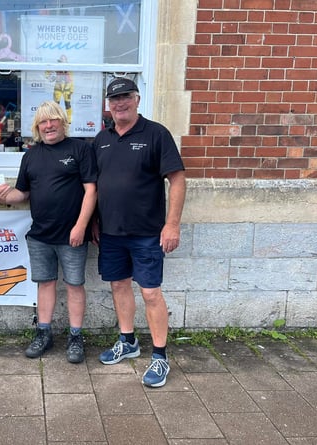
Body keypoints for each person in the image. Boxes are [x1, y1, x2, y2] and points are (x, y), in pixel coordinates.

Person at [93, 78, 186, 387]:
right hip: (110, 233)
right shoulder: (101, 139)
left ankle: (160, 356)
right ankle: (128, 341)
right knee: (119, 286)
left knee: (149, 292)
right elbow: (95, 187)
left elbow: (177, 179)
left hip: (147, 233)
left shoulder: (156, 134)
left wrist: (171, 224)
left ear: (137, 99)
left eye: (125, 97)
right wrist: (94, 222)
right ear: (108, 104)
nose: (120, 103)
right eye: (114, 98)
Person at [0, 101, 97, 363]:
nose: (48, 125)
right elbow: (23, 193)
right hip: (40, 235)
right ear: (37, 127)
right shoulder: (31, 155)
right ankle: (44, 332)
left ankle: (75, 337)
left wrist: (81, 225)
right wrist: (4, 196)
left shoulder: (80, 149)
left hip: (72, 235)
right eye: (43, 122)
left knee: (75, 285)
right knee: (45, 284)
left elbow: (91, 190)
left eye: (53, 120)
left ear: (63, 122)